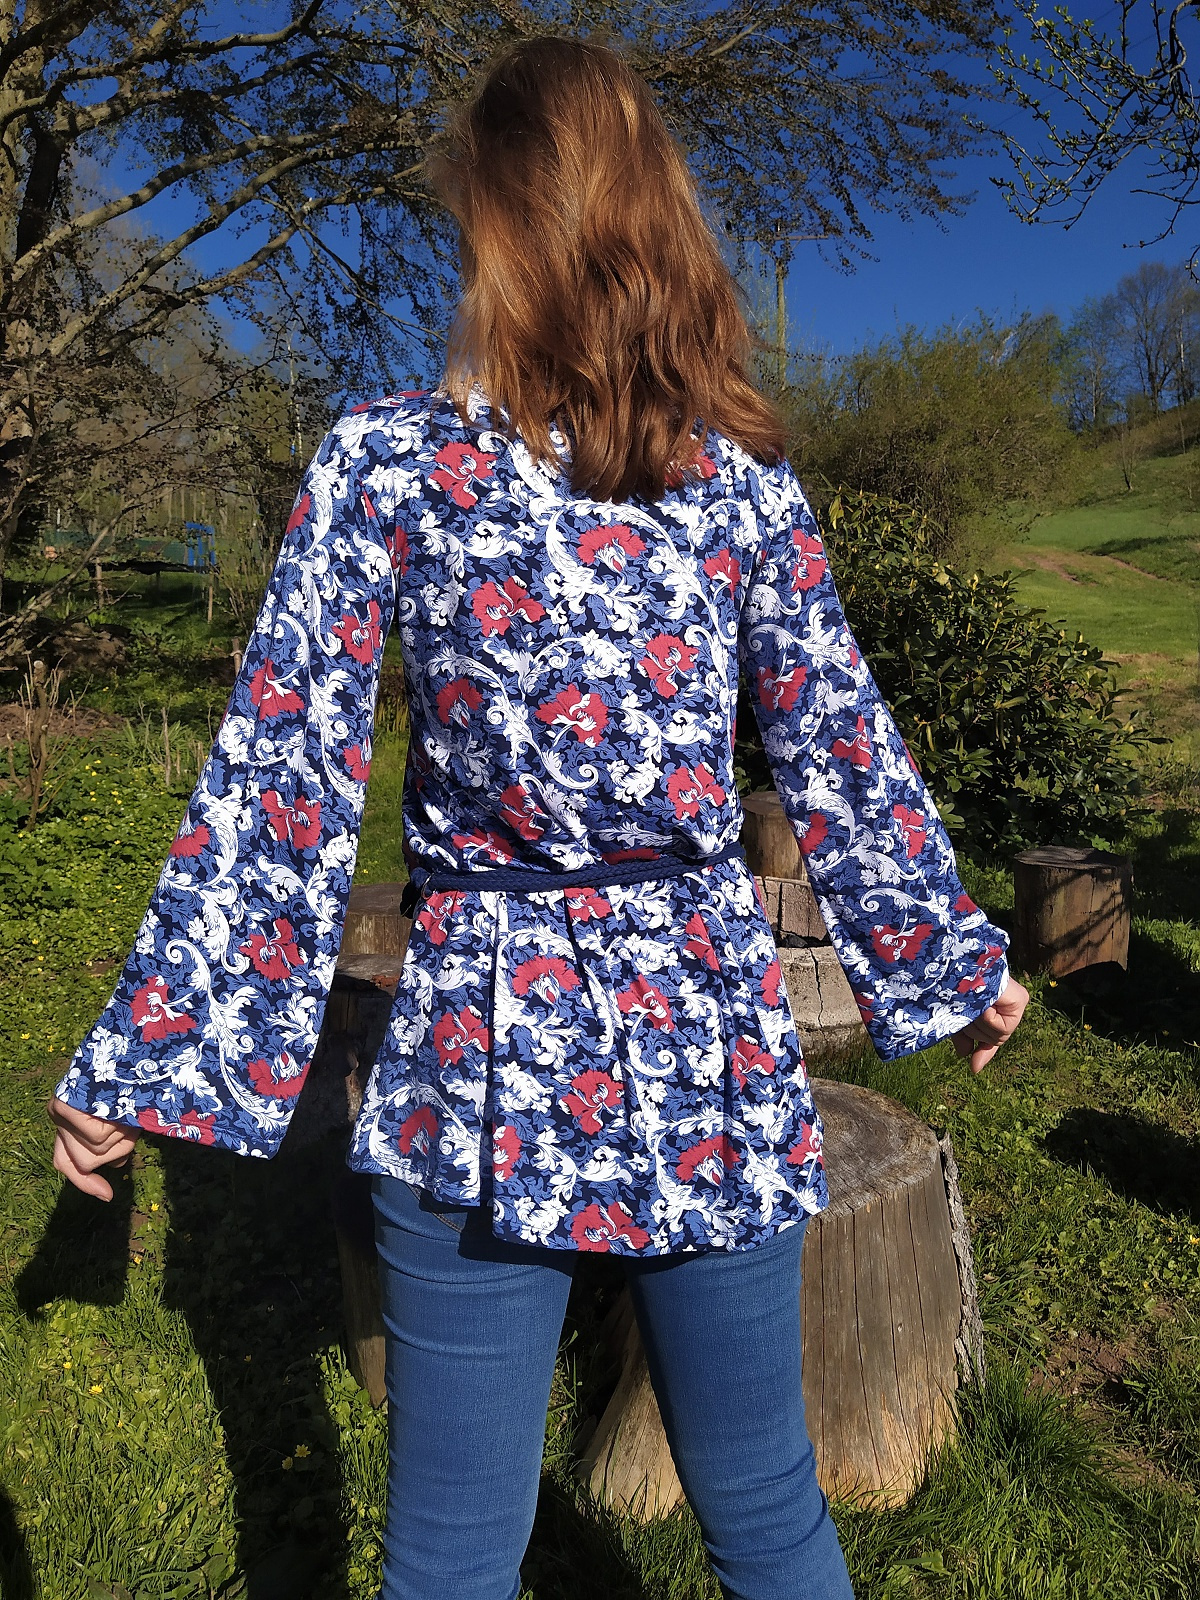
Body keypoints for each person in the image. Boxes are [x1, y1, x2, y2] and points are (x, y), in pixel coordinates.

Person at [48, 36, 1029, 1600]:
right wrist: (955, 966)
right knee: (767, 1512)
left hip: (480, 1051)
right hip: (701, 1038)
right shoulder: (736, 486)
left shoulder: (392, 465)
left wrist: (158, 1059)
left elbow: (281, 781)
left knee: (455, 1555)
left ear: (497, 228)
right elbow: (842, 748)